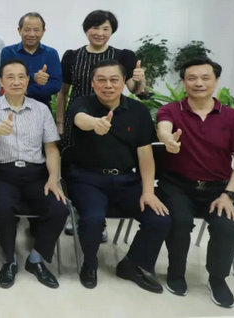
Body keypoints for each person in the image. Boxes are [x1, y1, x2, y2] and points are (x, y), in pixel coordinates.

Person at [64, 60, 170, 293]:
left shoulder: (138, 111)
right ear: (93, 83)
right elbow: (80, 119)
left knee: (160, 218)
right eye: (101, 80)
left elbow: (145, 154)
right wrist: (96, 123)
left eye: (114, 80)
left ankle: (133, 264)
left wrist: (148, 192)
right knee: (92, 219)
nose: (108, 85)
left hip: (127, 180)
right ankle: (89, 263)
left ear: (124, 82)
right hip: (87, 179)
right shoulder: (82, 103)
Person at [0, 58, 68, 289]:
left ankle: (36, 259)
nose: (16, 82)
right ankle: (9, 260)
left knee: (59, 208)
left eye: (21, 77)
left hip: (35, 173)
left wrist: (53, 179)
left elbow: (51, 148)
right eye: (10, 77)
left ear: (28, 80)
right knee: (3, 208)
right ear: (1, 81)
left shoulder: (41, 109)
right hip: (0, 173)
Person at [156, 57, 234, 308]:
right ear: (184, 82)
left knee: (227, 226)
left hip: (218, 188)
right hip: (177, 185)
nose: (198, 83)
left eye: (205, 78)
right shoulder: (171, 110)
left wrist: (229, 195)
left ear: (216, 81)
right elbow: (163, 128)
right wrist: (168, 140)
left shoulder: (232, 117)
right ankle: (176, 273)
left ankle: (217, 279)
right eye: (192, 78)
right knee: (179, 221)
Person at [56, 10, 145, 139]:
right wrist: (60, 123)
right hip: (77, 118)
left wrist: (139, 81)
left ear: (112, 31)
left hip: (112, 118)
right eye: (95, 28)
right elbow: (62, 94)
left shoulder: (123, 56)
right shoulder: (72, 56)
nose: (100, 33)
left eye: (105, 29)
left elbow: (135, 90)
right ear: (86, 30)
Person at [0, 12, 62, 108]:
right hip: (12, 105)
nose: (32, 34)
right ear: (19, 30)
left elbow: (55, 85)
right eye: (27, 30)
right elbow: (6, 80)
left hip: (42, 106)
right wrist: (34, 78)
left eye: (36, 30)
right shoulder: (8, 52)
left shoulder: (51, 53)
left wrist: (26, 90)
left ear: (43, 31)